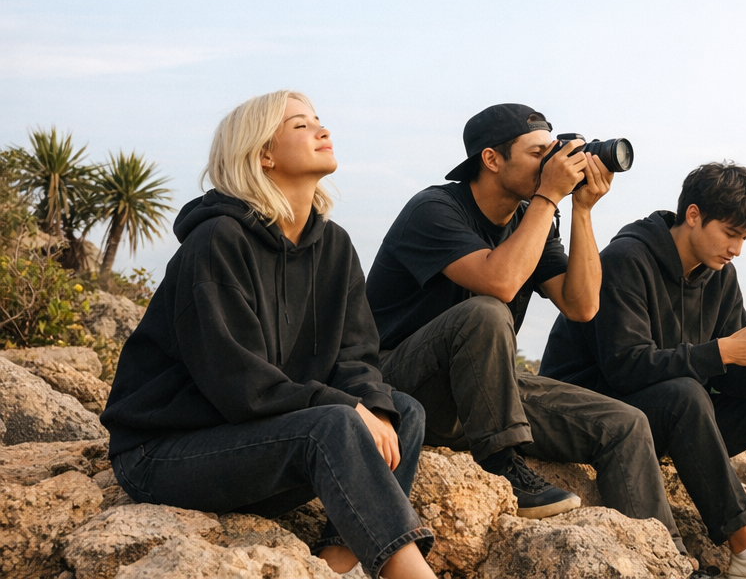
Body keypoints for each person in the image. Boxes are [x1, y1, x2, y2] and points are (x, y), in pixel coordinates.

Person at [101, 91, 436, 579]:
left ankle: (338, 561)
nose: (323, 130)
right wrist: (346, 409)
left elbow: (357, 356)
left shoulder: (335, 246)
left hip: (256, 445)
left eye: (320, 121)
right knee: (338, 422)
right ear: (264, 154)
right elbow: (239, 383)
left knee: (402, 411)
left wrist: (369, 404)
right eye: (301, 126)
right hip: (164, 454)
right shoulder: (216, 240)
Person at [541, 161, 746, 579]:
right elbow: (624, 368)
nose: (736, 248)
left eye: (744, 238)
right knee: (685, 393)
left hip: (672, 415)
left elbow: (731, 377)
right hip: (595, 412)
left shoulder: (720, 276)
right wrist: (721, 351)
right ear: (694, 215)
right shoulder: (626, 259)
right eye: (731, 233)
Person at [365, 103, 680, 545]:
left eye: (553, 151)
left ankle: (665, 556)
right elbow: (500, 282)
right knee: (487, 310)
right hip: (401, 387)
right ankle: (503, 464)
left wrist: (582, 210)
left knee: (624, 424)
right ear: (491, 159)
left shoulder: (529, 221)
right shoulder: (433, 210)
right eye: (537, 153)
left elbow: (582, 305)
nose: (550, 163)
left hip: (483, 389)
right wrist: (548, 197)